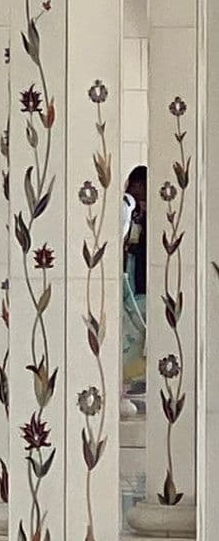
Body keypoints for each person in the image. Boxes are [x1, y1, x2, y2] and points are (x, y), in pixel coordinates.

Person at [122, 165, 147, 394]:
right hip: (132, 278)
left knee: (140, 328)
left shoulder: (146, 216)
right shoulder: (132, 209)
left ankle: (140, 374)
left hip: (141, 282)